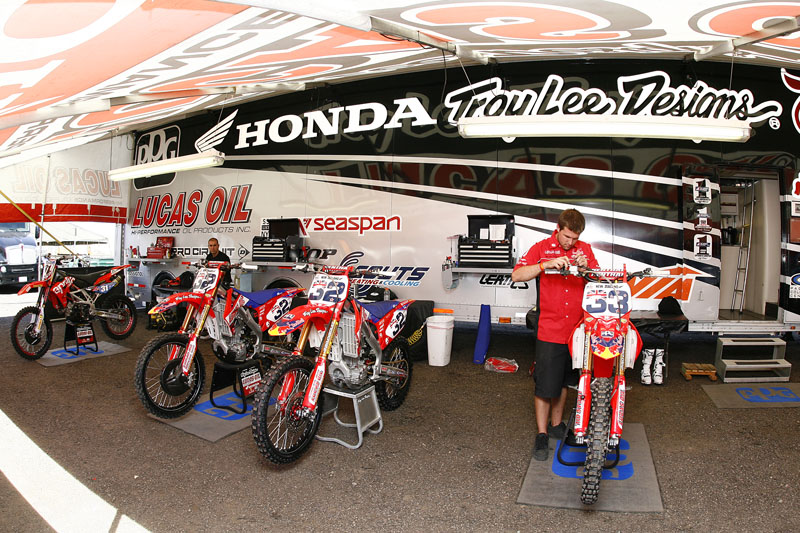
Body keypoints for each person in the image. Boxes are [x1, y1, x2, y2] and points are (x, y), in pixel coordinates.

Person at [511, 209, 598, 461]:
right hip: (549, 329)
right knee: (544, 385)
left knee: (563, 381)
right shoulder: (541, 248)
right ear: (558, 229)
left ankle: (556, 425)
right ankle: (541, 433)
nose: (570, 242)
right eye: (567, 236)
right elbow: (516, 274)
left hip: (577, 331)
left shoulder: (585, 250)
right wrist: (544, 265)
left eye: (575, 238)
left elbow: (598, 280)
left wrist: (586, 268)